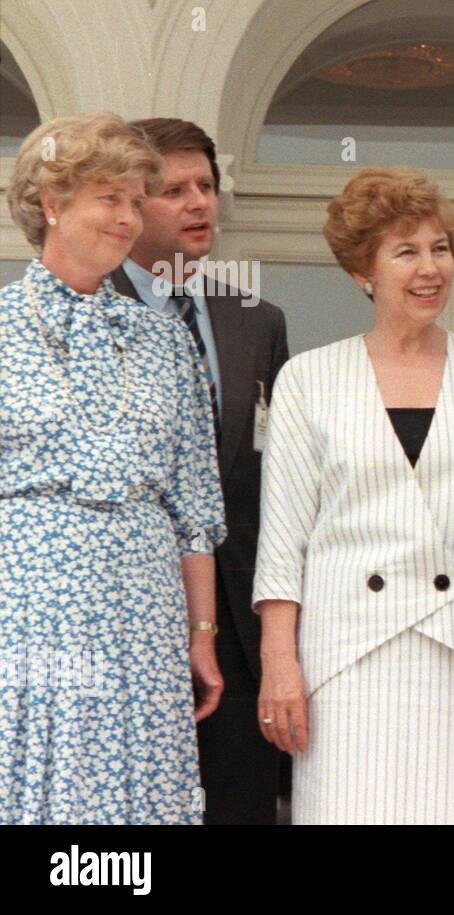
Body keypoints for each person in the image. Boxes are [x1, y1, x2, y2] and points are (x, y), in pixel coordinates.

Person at [252, 167, 454, 824]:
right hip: (343, 660)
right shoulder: (308, 380)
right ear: (362, 270)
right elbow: (283, 542)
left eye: (440, 248)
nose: (430, 268)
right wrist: (279, 661)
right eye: (407, 251)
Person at [0, 112, 225, 824]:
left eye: (136, 200)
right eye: (111, 198)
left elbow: (194, 508)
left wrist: (202, 635)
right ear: (53, 203)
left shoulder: (165, 340)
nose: (129, 218)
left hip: (145, 610)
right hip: (27, 610)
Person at [109, 117, 290, 825]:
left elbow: (275, 470)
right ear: (130, 202)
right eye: (174, 189)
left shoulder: (258, 317)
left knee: (240, 807)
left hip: (242, 627)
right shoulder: (90, 311)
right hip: (129, 615)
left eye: (207, 186)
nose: (198, 203)